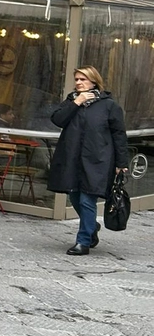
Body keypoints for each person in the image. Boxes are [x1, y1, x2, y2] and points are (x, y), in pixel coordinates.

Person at [48, 66, 129, 256]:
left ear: (94, 81)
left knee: (87, 199)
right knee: (74, 196)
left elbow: (119, 135)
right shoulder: (71, 101)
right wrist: (77, 102)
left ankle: (83, 242)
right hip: (72, 158)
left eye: (83, 79)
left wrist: (121, 163)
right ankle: (92, 226)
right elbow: (58, 120)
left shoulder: (109, 105)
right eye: (76, 79)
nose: (78, 82)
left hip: (97, 160)